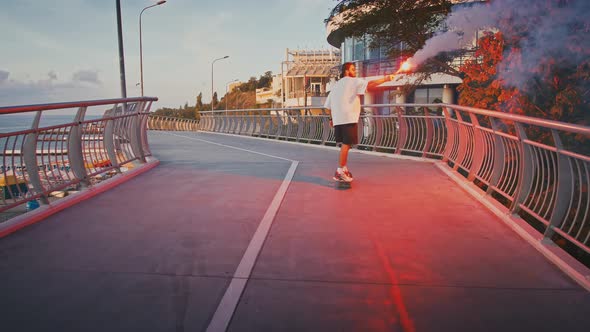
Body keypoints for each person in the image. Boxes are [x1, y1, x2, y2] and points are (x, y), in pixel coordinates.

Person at [323, 62, 394, 182]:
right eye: (352, 69)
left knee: (346, 144)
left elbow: (327, 107)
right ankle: (339, 171)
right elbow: (370, 85)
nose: (355, 72)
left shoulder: (335, 86)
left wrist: (331, 119)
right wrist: (386, 78)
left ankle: (343, 168)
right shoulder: (353, 81)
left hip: (338, 120)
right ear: (346, 71)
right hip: (349, 118)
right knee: (347, 144)